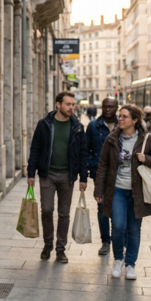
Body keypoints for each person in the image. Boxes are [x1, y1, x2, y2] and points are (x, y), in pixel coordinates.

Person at [93, 104, 151, 280]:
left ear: (135, 120)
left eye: (125, 116)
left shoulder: (146, 138)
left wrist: (145, 158)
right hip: (117, 190)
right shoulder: (112, 138)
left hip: (137, 192)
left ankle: (131, 264)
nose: (120, 119)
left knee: (134, 229)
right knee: (117, 226)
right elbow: (102, 165)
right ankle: (118, 259)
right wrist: (98, 190)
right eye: (120, 116)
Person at [27, 91, 89, 263]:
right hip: (47, 174)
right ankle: (48, 244)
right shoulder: (44, 124)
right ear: (58, 104)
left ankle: (60, 249)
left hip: (67, 176)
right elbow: (35, 149)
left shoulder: (77, 126)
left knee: (64, 214)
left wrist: (83, 177)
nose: (71, 107)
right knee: (46, 209)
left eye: (72, 104)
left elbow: (83, 153)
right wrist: (31, 173)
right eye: (68, 104)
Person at [86, 97, 118, 255]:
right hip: (101, 174)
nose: (107, 110)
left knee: (118, 208)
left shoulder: (124, 124)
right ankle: (106, 241)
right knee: (102, 208)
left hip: (120, 174)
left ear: (116, 108)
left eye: (111, 107)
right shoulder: (93, 126)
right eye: (105, 107)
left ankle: (119, 239)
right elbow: (86, 149)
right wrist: (92, 164)